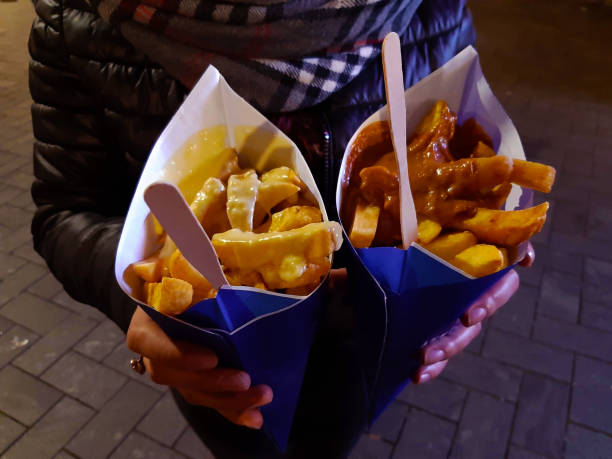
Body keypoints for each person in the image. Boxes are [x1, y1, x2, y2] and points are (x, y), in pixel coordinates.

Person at [28, 0, 532, 456]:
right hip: (223, 366)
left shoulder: (425, 6)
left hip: (368, 356)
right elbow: (65, 210)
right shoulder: (74, 17)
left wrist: (464, 288)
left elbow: (466, 160)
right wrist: (138, 309)